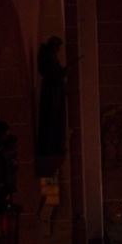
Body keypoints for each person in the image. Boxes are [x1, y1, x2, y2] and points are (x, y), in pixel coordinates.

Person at [36, 36, 68, 176]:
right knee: (51, 119)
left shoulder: (51, 56)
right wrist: (61, 73)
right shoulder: (47, 57)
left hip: (55, 91)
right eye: (58, 47)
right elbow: (51, 73)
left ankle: (54, 145)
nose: (59, 50)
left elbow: (56, 72)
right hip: (52, 93)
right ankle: (51, 146)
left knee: (56, 120)